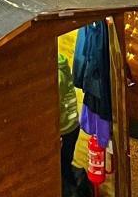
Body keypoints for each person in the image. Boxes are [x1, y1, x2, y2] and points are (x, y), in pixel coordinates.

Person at [58, 50, 81, 190]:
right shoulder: (60, 62)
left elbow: (55, 106)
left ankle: (71, 190)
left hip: (66, 129)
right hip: (71, 125)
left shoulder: (56, 76)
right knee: (65, 166)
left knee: (63, 169)